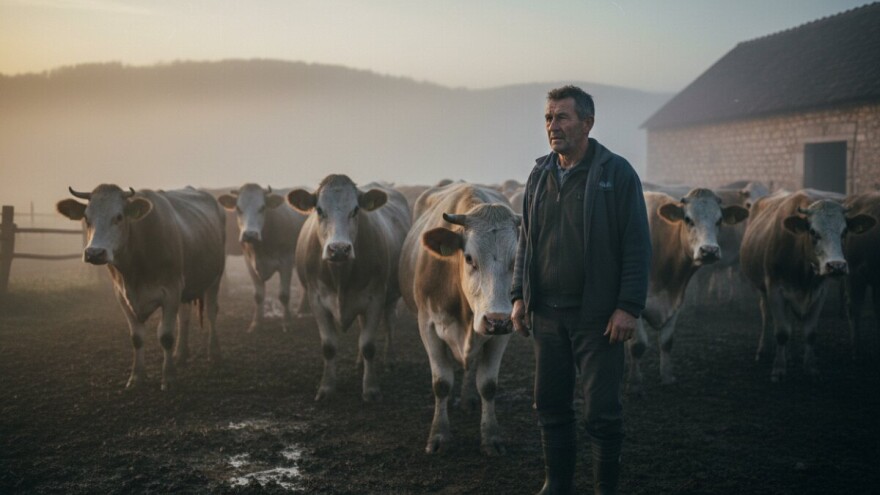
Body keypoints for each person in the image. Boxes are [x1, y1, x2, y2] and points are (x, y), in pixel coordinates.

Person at [510, 85, 651, 495]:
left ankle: (604, 488)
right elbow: (527, 241)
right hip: (548, 316)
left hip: (598, 317)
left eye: (562, 118)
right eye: (548, 118)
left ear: (587, 123)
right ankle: (557, 484)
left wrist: (628, 307)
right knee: (551, 406)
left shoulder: (616, 173)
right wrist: (519, 295)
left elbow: (637, 245)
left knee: (602, 411)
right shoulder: (539, 174)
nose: (553, 126)